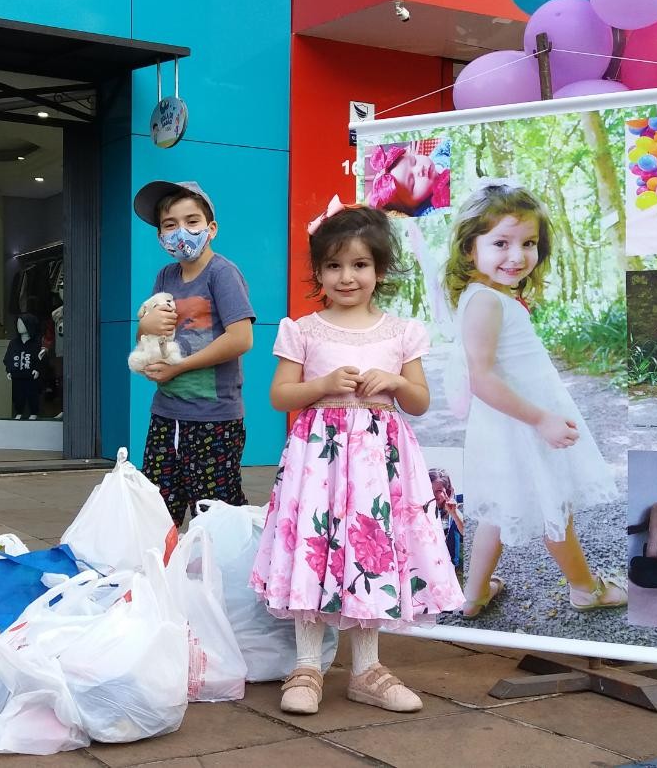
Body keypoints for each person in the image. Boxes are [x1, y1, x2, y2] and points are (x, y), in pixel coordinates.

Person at [250, 198, 464, 716]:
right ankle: (307, 665)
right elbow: (280, 395)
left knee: (370, 550)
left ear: (380, 270)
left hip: (380, 463)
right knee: (317, 545)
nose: (347, 277)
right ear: (319, 270)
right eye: (333, 265)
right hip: (318, 457)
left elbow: (419, 400)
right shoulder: (301, 329)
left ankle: (367, 669)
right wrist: (321, 385)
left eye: (360, 265)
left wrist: (393, 381)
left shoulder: (402, 332)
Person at [445, 179, 626, 618]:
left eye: (528, 243)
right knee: (552, 504)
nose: (517, 255)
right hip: (521, 421)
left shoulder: (491, 297)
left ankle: (475, 592)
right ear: (471, 248)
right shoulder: (486, 302)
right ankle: (585, 589)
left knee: (498, 509)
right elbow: (481, 379)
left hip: (514, 420)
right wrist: (541, 419)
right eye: (501, 242)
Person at [132, 180, 256, 526]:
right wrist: (145, 327)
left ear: (211, 228)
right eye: (170, 225)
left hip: (214, 419)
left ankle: (223, 578)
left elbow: (241, 338)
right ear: (160, 236)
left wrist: (178, 368)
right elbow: (148, 332)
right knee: (157, 511)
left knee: (215, 515)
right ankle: (164, 576)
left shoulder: (223, 273)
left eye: (192, 221)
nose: (181, 232)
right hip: (166, 416)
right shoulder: (164, 276)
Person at [366, 140, 451, 217]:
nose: (420, 169)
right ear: (410, 208)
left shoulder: (435, 158)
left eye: (414, 161)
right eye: (412, 183)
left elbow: (448, 143)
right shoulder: (428, 211)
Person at [429, 469, 466, 570]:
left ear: (447, 491)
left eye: (438, 491)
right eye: (429, 490)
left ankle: (454, 563)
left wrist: (453, 513)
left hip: (447, 560)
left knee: (454, 526)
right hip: (428, 558)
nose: (433, 495)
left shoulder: (450, 508)